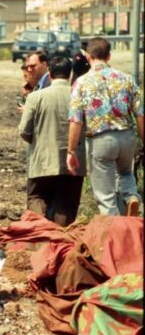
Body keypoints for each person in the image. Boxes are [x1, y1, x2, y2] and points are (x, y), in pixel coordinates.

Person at [67, 37, 144, 216]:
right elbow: (140, 114)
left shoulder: (82, 83)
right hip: (127, 136)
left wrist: (71, 150)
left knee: (106, 196)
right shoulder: (127, 79)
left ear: (88, 56)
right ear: (109, 56)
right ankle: (131, 196)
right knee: (125, 174)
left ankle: (114, 232)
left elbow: (76, 121)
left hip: (101, 140)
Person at [18, 57, 86, 226]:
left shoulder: (35, 97)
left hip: (42, 160)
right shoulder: (80, 96)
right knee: (65, 204)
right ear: (70, 74)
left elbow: (24, 130)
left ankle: (40, 237)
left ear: (50, 74)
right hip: (74, 161)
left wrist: (38, 143)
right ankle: (61, 241)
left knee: (36, 197)